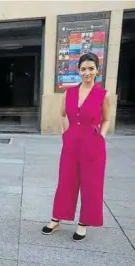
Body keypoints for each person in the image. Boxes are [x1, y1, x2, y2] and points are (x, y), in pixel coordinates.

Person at [42, 52, 111, 241]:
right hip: (71, 142)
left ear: (97, 70)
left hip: (93, 143)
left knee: (91, 184)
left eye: (91, 68)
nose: (87, 72)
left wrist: (101, 137)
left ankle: (83, 223)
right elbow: (61, 115)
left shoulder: (103, 94)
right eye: (83, 69)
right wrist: (65, 134)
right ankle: (56, 219)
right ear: (78, 71)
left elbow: (106, 119)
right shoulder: (69, 92)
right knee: (66, 180)